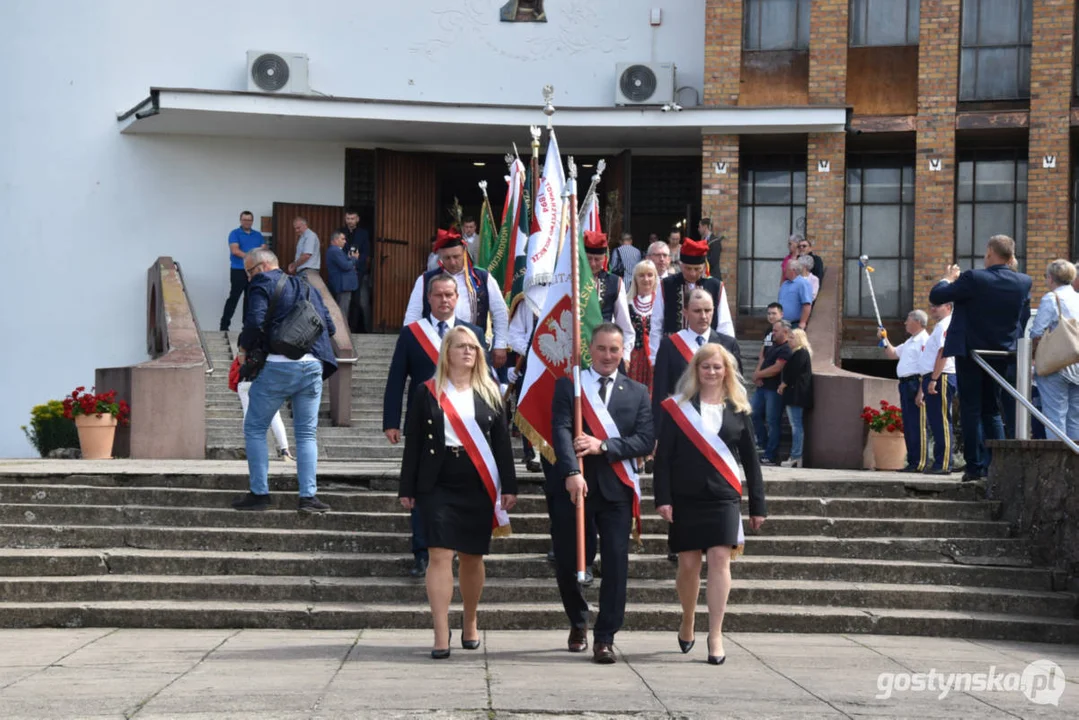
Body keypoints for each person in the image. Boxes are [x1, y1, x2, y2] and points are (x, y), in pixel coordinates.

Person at [399, 326, 517, 659]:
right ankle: (439, 631)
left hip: (477, 480)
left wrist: (509, 485)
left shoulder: (491, 392)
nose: (468, 352)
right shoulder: (427, 392)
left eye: (473, 347)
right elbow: (414, 443)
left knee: (471, 556)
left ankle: (469, 618)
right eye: (461, 346)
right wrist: (406, 486)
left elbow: (502, 445)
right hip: (437, 480)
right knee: (438, 555)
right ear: (447, 351)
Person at [654, 342, 766, 665]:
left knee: (720, 561)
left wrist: (758, 504)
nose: (712, 372)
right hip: (686, 497)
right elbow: (663, 459)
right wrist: (663, 498)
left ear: (727, 371)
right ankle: (688, 617)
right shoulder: (677, 408)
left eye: (718, 367)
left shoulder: (738, 410)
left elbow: (751, 461)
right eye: (706, 367)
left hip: (724, 497)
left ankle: (715, 633)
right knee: (688, 566)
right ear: (696, 371)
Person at [548, 324, 653, 664]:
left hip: (615, 491)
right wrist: (572, 471)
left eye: (614, 349)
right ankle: (577, 620)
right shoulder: (570, 385)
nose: (608, 356)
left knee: (616, 564)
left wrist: (603, 445)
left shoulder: (637, 392)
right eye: (602, 348)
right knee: (568, 560)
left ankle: (605, 636)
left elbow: (645, 440)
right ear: (589, 349)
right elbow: (561, 429)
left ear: (623, 352)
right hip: (574, 488)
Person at [384, 273, 488, 577]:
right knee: (422, 487)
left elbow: (485, 380)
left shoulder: (472, 333)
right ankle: (422, 552)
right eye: (438, 295)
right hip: (426, 423)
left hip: (466, 428)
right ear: (428, 299)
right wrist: (391, 421)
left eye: (449, 295)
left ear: (458, 298)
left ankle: (456, 548)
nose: (444, 300)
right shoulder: (412, 333)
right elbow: (395, 379)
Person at [232, 249, 337, 513]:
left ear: (263, 266)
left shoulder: (262, 283)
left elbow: (255, 321)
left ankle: (259, 494)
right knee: (305, 433)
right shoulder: (308, 286)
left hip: (278, 365)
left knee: (255, 428)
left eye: (249, 271)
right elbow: (330, 327)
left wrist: (244, 349)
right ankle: (308, 497)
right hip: (313, 366)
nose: (248, 277)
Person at [929, 235, 1032, 481]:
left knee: (971, 408)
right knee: (992, 409)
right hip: (1001, 353)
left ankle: (974, 466)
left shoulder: (974, 278)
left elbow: (937, 295)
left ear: (989, 253)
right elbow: (1024, 318)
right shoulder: (1023, 281)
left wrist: (948, 278)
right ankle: (996, 464)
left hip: (971, 352)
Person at [404, 230, 509, 369]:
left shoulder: (484, 278)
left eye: (456, 256)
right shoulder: (425, 280)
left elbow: (500, 313)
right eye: (447, 258)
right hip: (435, 348)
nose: (453, 262)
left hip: (473, 348)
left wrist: (500, 344)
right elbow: (412, 316)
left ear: (465, 252)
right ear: (439, 257)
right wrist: (409, 346)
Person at [652, 289, 741, 434]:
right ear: (685, 312)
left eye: (708, 310)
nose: (704, 316)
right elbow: (660, 391)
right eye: (697, 311)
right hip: (681, 425)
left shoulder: (728, 345)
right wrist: (657, 432)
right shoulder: (669, 345)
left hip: (719, 427)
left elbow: (735, 389)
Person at [649, 237, 735, 365]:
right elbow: (656, 323)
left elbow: (725, 324)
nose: (693, 273)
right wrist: (655, 358)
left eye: (697, 269)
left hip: (708, 353)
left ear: (704, 266)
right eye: (688, 269)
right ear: (680, 264)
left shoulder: (716, 286)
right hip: (675, 353)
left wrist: (728, 356)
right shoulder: (666, 285)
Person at [1029, 259, 1079, 440]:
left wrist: (1033, 358)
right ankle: (1074, 464)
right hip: (1077, 362)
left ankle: (1058, 464)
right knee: (1075, 417)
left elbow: (1036, 332)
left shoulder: (1052, 298)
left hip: (1056, 364)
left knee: (1055, 415)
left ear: (1051, 278)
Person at [879, 310, 930, 472]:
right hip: (905, 384)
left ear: (917, 322)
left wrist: (921, 391)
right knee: (908, 424)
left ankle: (920, 462)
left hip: (916, 383)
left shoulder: (924, 340)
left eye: (908, 320)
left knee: (918, 424)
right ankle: (912, 461)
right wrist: (884, 339)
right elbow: (893, 354)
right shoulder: (910, 341)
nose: (905, 323)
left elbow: (926, 367)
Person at [915, 302, 958, 474]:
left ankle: (945, 462)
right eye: (931, 306)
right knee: (936, 420)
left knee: (941, 420)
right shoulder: (941, 325)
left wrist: (934, 378)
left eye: (937, 306)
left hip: (941, 376)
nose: (932, 309)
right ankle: (940, 461)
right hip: (933, 376)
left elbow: (943, 352)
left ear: (948, 306)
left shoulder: (946, 324)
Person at [228, 355, 294, 462]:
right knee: (275, 416)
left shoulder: (246, 342)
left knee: (248, 413)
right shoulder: (268, 345)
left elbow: (241, 360)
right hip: (265, 382)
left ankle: (250, 448)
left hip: (245, 382)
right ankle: (284, 450)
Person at [584, 231, 635, 365]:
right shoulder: (572, 281)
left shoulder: (615, 282)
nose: (593, 264)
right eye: (589, 259)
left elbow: (624, 323)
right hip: (577, 348)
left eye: (598, 260)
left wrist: (626, 355)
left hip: (604, 350)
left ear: (605, 258)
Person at [751, 320, 792, 465]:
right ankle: (762, 442)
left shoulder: (786, 349)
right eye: (772, 331)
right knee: (752, 413)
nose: (772, 333)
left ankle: (770, 455)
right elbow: (762, 356)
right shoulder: (771, 343)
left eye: (775, 331)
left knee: (772, 421)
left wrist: (759, 374)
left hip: (774, 391)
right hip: (762, 387)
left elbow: (777, 368)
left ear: (785, 332)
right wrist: (757, 374)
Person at [220, 211, 266, 331]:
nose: (247, 222)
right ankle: (224, 326)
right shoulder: (235, 233)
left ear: (252, 221)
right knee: (234, 298)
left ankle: (246, 328)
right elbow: (235, 250)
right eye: (245, 220)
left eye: (249, 220)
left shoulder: (258, 235)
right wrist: (252, 257)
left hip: (254, 272)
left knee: (250, 299)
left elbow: (263, 250)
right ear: (241, 220)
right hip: (238, 270)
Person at [777, 328, 813, 468]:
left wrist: (783, 385)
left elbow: (793, 372)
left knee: (796, 425)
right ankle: (796, 456)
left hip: (796, 395)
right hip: (795, 394)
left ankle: (796, 455)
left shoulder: (800, 353)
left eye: (792, 337)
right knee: (796, 425)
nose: (789, 340)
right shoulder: (799, 353)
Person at [338, 209, 371, 333]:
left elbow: (366, 252)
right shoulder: (341, 232)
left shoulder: (363, 233)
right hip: (344, 270)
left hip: (358, 270)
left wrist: (356, 262)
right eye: (348, 218)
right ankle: (345, 329)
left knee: (357, 300)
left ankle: (355, 328)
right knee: (345, 299)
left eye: (352, 218)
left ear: (357, 219)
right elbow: (338, 250)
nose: (350, 221)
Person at [325, 231, 360, 318]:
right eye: (343, 239)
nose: (345, 241)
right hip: (343, 285)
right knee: (343, 310)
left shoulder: (336, 251)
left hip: (343, 284)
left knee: (343, 308)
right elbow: (345, 266)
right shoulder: (335, 250)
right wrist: (354, 258)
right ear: (336, 240)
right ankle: (343, 331)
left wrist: (349, 258)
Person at [777, 262, 813, 329]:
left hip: (795, 324)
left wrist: (803, 322)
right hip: (782, 323)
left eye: (786, 269)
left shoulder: (803, 284)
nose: (784, 270)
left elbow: (807, 304)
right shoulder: (785, 284)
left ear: (793, 270)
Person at [754, 303, 784, 375]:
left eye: (774, 313)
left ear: (781, 314)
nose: (771, 316)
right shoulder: (769, 330)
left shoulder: (784, 330)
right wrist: (758, 371)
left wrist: (759, 374)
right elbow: (763, 350)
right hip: (764, 369)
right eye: (769, 313)